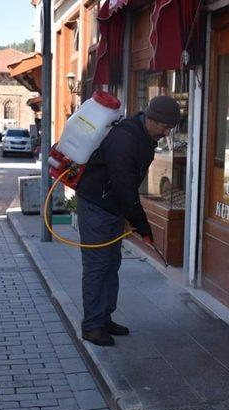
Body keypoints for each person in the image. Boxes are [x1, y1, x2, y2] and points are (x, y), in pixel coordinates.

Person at [75, 95, 180, 346]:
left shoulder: (145, 136)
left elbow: (127, 185)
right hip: (97, 205)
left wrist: (130, 217)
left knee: (112, 263)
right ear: (151, 119)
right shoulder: (125, 138)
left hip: (112, 206)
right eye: (165, 127)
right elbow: (124, 185)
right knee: (97, 266)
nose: (167, 133)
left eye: (170, 129)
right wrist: (140, 222)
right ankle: (91, 326)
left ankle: (104, 318)